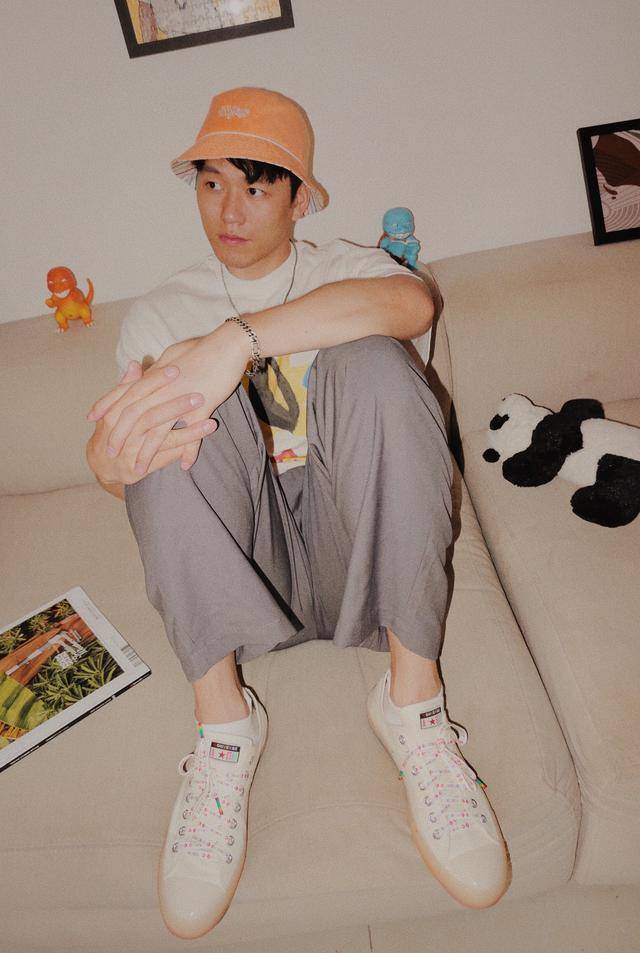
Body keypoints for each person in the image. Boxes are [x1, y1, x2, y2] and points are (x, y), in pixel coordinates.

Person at [85, 87, 510, 940]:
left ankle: (414, 707)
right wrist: (112, 456)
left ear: (301, 199)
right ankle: (225, 727)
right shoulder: (160, 312)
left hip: (359, 547)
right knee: (168, 407)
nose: (229, 211)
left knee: (376, 362)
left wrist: (231, 343)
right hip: (245, 568)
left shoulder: (349, 268)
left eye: (255, 187)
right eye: (212, 184)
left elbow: (415, 309)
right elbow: (122, 472)